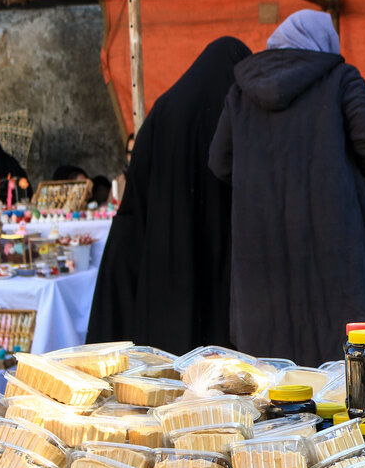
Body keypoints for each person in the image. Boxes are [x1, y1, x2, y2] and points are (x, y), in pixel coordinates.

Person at [209, 9, 365, 366]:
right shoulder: (340, 78)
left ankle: (282, 425)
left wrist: (257, 185)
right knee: (346, 371)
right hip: (337, 240)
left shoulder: (240, 93)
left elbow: (219, 161)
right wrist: (352, 183)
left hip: (261, 247)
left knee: (272, 375)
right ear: (324, 45)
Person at [86, 37, 251, 353]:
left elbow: (135, 202)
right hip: (225, 266)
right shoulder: (239, 112)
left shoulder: (164, 109)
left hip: (165, 261)